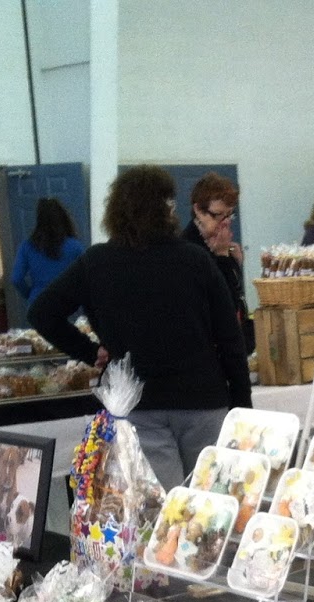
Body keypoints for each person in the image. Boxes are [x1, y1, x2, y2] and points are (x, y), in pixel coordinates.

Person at [29, 165, 250, 489]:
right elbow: (230, 339)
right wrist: (243, 407)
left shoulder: (96, 262)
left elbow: (41, 312)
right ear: (167, 210)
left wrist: (90, 352)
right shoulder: (196, 260)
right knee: (213, 502)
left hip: (140, 406)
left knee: (164, 510)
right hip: (204, 401)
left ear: (115, 210)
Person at [182, 173, 253, 353]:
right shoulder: (187, 250)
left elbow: (237, 298)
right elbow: (224, 306)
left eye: (229, 215)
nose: (225, 223)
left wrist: (233, 263)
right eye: (218, 215)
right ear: (198, 211)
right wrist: (222, 257)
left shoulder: (222, 245)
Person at [10, 197, 85, 308]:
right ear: (63, 219)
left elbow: (16, 278)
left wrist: (29, 294)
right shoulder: (75, 246)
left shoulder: (27, 246)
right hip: (67, 302)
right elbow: (85, 278)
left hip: (38, 301)